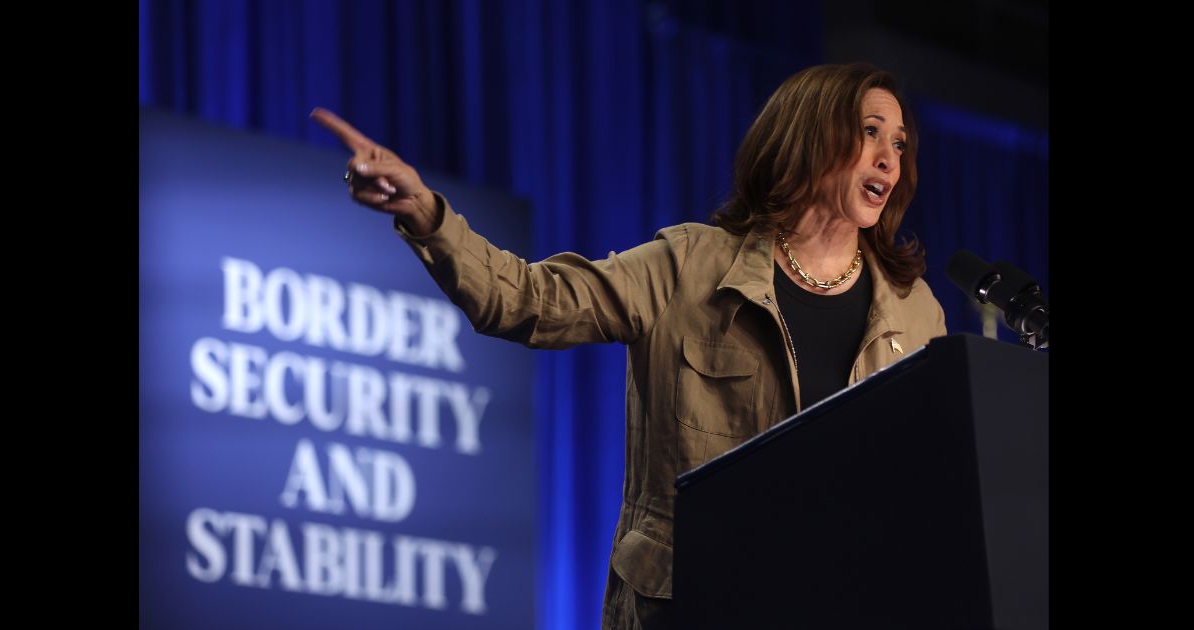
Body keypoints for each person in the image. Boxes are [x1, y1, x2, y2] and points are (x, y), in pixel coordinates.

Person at [312, 62, 947, 630]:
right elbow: (531, 301)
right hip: (694, 606)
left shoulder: (916, 314)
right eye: (869, 132)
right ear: (809, 137)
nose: (890, 158)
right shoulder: (689, 267)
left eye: (899, 143)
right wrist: (427, 215)